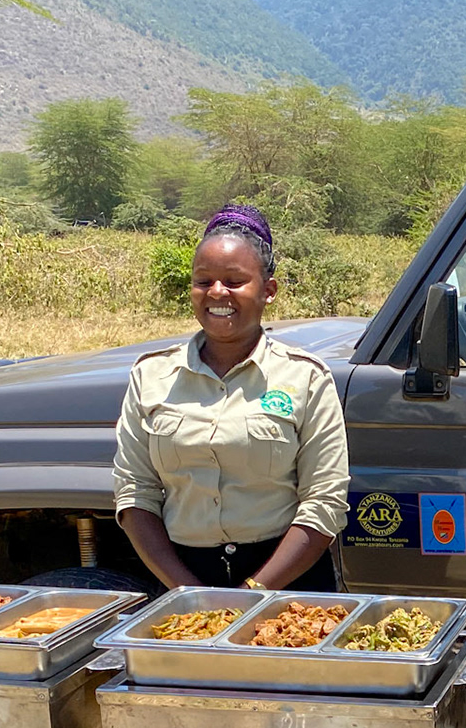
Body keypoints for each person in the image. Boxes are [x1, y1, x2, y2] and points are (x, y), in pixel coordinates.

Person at [113, 204, 349, 593]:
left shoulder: (305, 377)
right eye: (204, 281)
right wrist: (188, 594)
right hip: (183, 580)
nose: (217, 292)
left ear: (268, 291)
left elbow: (324, 501)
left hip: (287, 582)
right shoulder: (151, 377)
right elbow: (134, 493)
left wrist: (252, 593)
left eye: (234, 281)